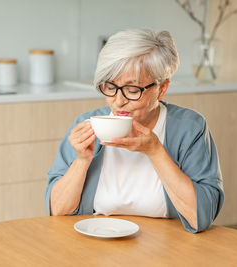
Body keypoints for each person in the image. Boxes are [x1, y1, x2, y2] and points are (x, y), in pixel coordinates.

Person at [45, 29, 224, 233]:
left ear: (162, 88)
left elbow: (201, 216)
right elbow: (57, 211)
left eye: (132, 90)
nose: (119, 101)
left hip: (169, 247)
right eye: (110, 87)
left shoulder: (190, 127)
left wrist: (155, 151)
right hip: (95, 242)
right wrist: (81, 161)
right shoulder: (88, 124)